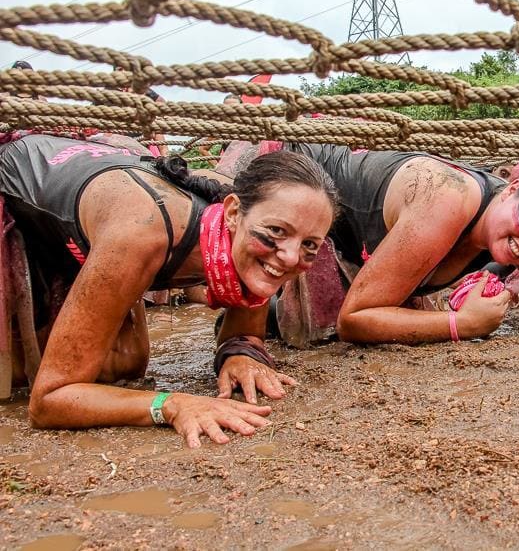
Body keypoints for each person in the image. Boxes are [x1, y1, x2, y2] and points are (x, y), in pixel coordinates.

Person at [0, 134, 338, 447]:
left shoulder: (251, 227)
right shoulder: (139, 237)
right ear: (233, 213)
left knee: (124, 369)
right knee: (48, 379)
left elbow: (244, 335)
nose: (291, 257)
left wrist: (240, 355)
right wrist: (171, 404)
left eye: (309, 244)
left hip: (105, 189)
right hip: (22, 181)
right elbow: (49, 401)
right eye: (277, 231)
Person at [280, 145, 519, 343]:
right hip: (295, 181)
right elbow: (355, 320)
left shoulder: (516, 232)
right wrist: (462, 324)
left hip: (348, 244)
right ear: (512, 189)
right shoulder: (448, 200)